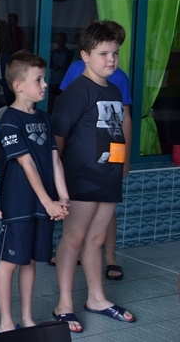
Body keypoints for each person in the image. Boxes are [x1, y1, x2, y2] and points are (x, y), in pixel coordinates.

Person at [51, 20, 136, 333]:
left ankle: (97, 298)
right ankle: (64, 303)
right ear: (85, 56)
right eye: (103, 53)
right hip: (81, 178)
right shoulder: (77, 91)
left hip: (107, 175)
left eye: (115, 53)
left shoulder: (114, 89)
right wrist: (57, 181)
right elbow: (57, 138)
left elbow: (116, 132)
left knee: (97, 239)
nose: (111, 59)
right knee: (73, 239)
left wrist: (122, 163)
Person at [0, 51, 69, 333]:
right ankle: (5, 322)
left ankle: (26, 318)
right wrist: (49, 202)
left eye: (44, 78)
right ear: (18, 85)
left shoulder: (45, 118)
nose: (45, 84)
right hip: (20, 203)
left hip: (45, 203)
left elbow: (54, 160)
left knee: (31, 261)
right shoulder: (9, 120)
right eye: (38, 79)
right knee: (10, 262)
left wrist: (63, 197)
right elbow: (26, 164)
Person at [48, 32, 73, 112]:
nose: (58, 41)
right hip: (53, 80)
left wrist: (60, 67)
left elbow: (69, 67)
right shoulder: (54, 52)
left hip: (63, 80)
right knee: (50, 100)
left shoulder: (68, 53)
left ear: (65, 40)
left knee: (62, 102)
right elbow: (50, 64)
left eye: (60, 39)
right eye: (57, 39)